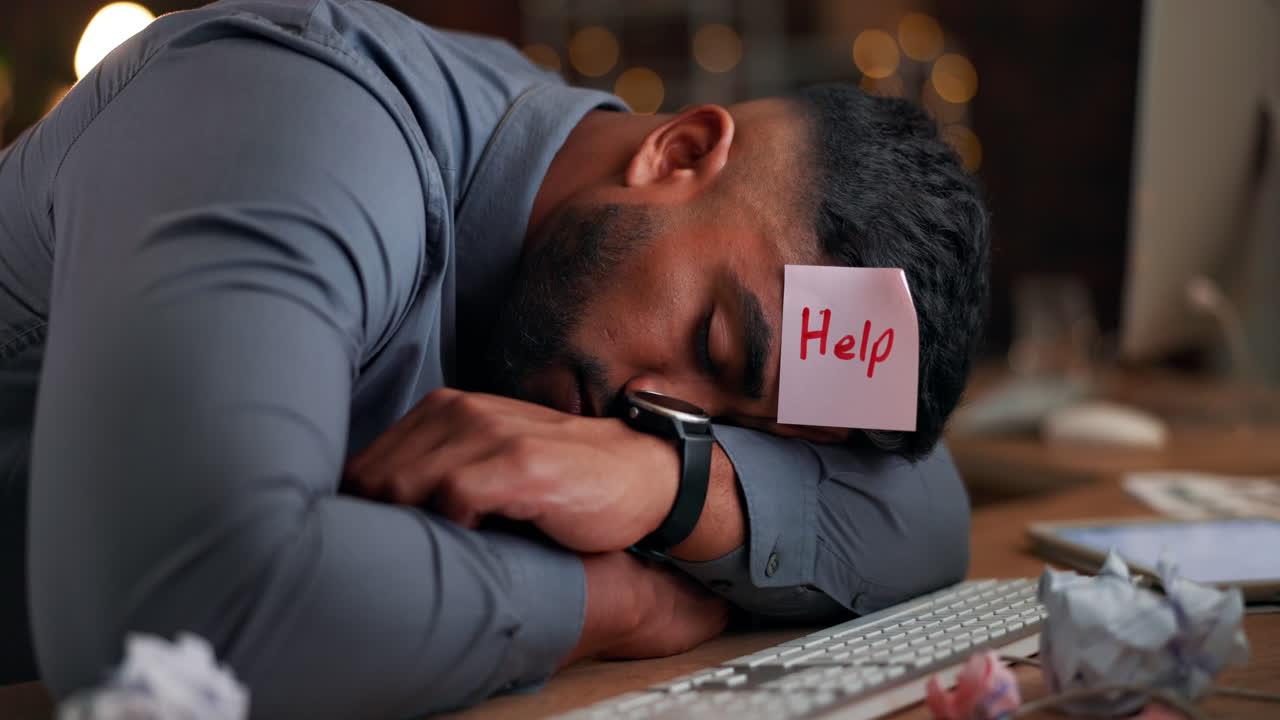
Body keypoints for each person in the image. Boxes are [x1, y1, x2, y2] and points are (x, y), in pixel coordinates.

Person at [0, 0, 988, 715]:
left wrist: (673, 485)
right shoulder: (297, 123)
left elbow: (925, 512)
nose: (667, 410)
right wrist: (605, 605)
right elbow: (170, 625)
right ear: (679, 153)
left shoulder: (613, 310)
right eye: (711, 343)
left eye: (744, 428)